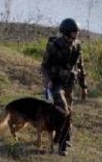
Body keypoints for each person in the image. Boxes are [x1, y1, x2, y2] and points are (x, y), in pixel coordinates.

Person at [41, 18, 88, 156]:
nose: (77, 34)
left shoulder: (77, 46)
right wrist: (48, 80)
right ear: (67, 32)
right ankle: (62, 144)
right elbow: (44, 66)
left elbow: (80, 67)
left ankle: (64, 139)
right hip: (56, 84)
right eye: (75, 32)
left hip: (69, 84)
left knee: (68, 113)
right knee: (64, 111)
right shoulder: (54, 45)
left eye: (77, 32)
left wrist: (84, 86)